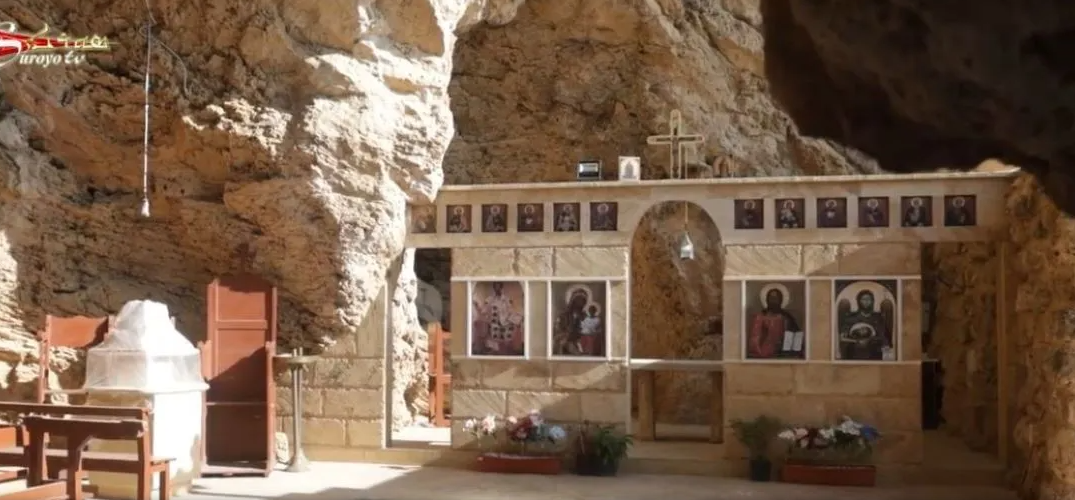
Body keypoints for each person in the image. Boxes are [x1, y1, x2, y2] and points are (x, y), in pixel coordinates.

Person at [747, 287, 802, 359]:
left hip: (784, 354)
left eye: (776, 298)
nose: (773, 301)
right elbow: (754, 339)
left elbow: (796, 337)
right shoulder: (760, 317)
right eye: (771, 298)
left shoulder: (787, 317)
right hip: (764, 353)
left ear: (781, 300)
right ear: (767, 300)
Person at [837, 290, 892, 360]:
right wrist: (857, 341)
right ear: (859, 301)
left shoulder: (878, 318)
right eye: (863, 299)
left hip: (874, 353)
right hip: (854, 353)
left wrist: (869, 340)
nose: (866, 301)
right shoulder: (851, 318)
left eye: (868, 299)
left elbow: (883, 337)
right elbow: (842, 338)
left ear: (872, 301)